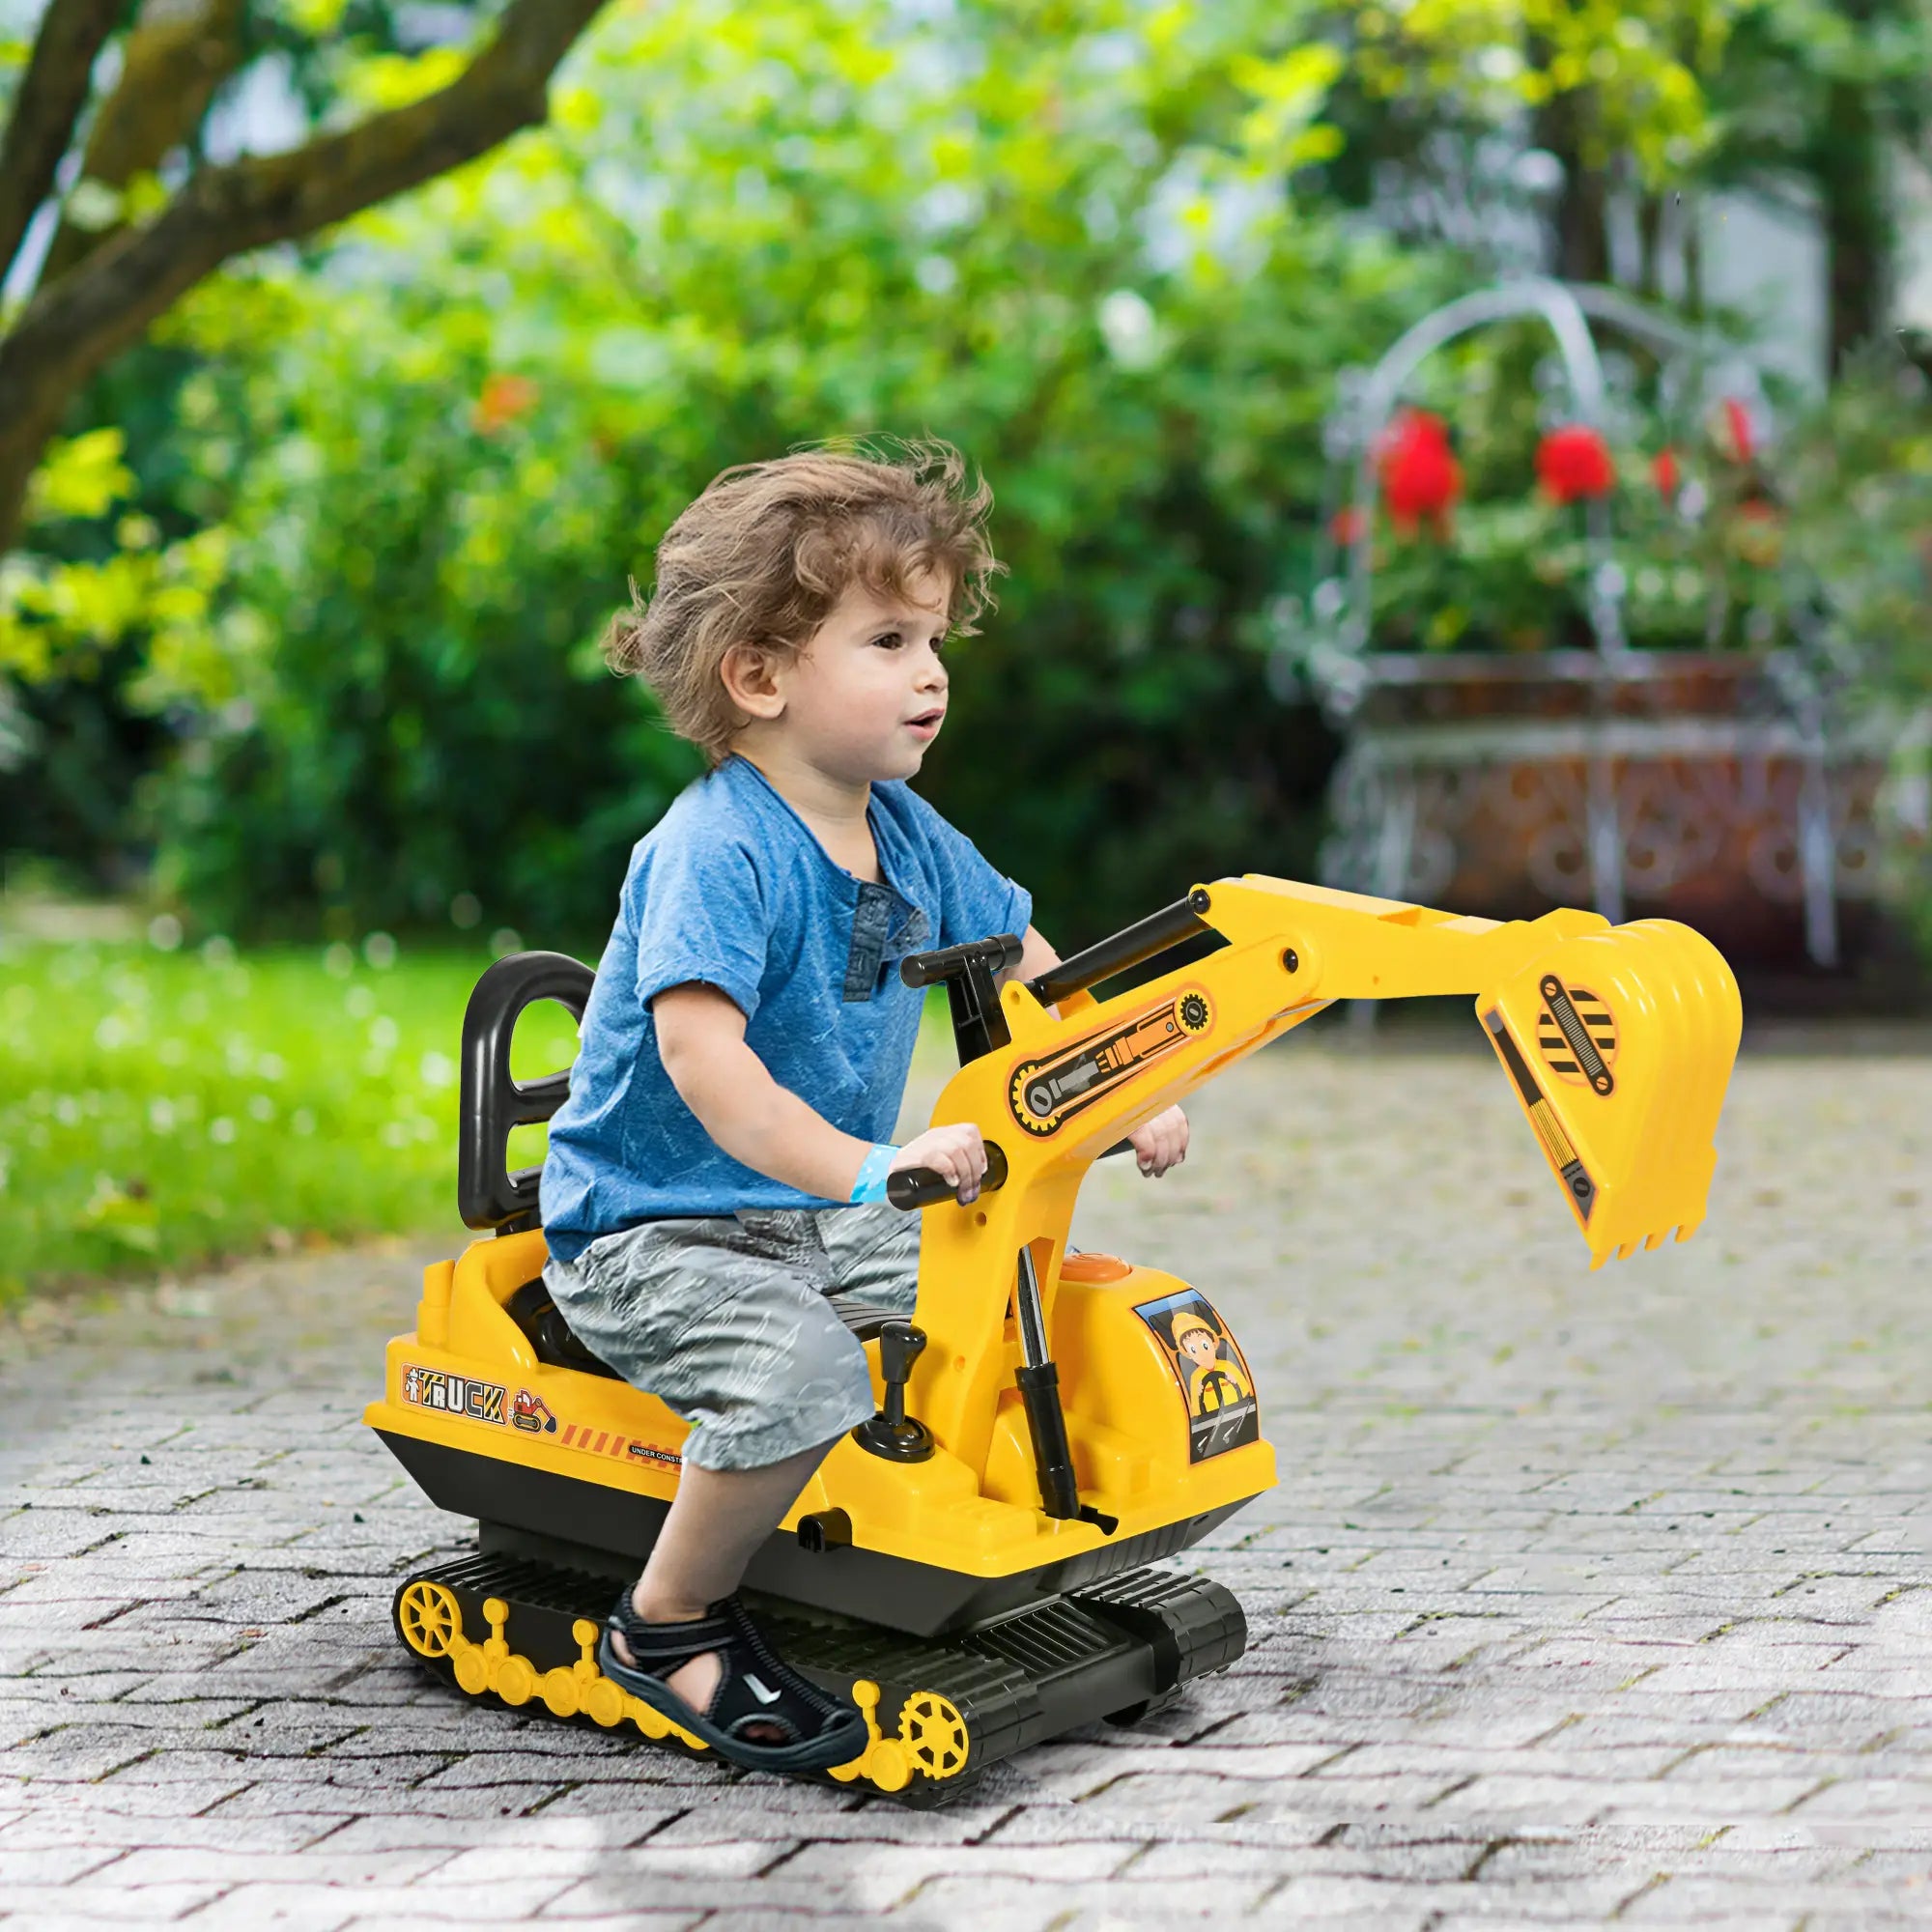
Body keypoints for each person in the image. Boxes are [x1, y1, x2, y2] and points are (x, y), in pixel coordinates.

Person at [538, 439, 1189, 1774]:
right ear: (761, 675)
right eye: (889, 639)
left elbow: (1020, 956)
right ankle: (665, 1620)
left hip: (814, 1203)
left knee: (1003, 1272)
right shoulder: (715, 849)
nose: (933, 672)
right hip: (656, 1225)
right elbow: (711, 1072)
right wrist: (868, 1166)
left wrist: (1116, 1089)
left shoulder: (903, 831)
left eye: (936, 638)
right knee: (807, 1373)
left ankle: (931, 1531)